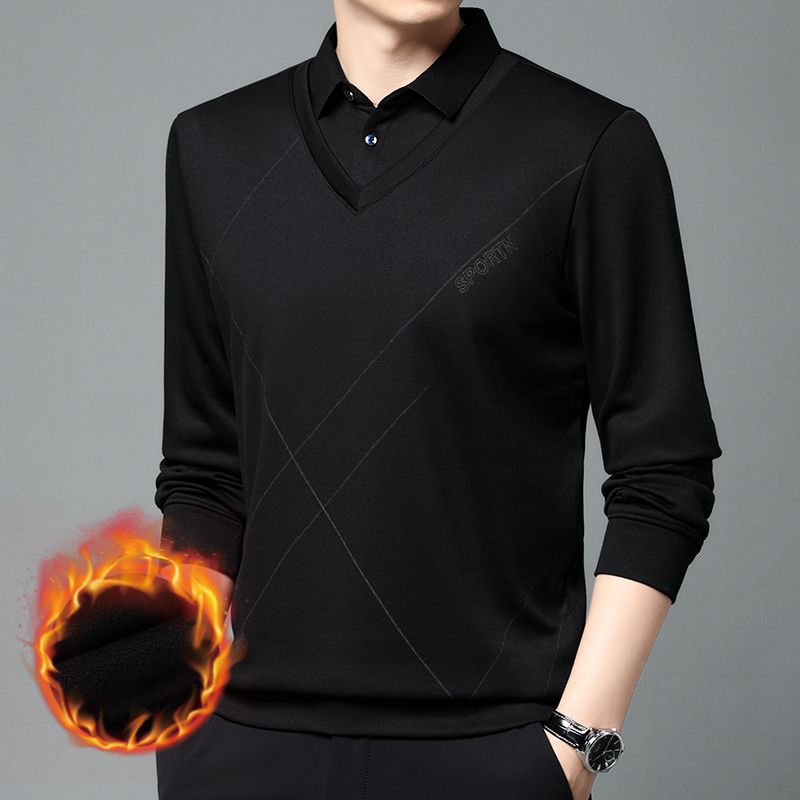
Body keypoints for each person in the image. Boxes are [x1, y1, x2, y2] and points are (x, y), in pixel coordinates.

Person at [153, 2, 723, 798]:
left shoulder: (586, 145)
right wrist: (173, 702)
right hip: (238, 754)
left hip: (491, 753)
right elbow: (207, 470)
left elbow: (664, 472)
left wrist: (576, 742)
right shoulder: (212, 147)